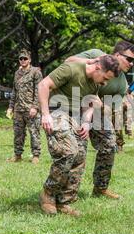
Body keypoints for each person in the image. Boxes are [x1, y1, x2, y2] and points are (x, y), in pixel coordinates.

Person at [38, 55, 120, 217]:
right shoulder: (72, 69)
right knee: (68, 151)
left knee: (80, 156)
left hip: (76, 116)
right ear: (98, 67)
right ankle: (48, 194)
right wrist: (45, 115)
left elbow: (91, 102)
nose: (105, 83)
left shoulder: (95, 83)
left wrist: (86, 121)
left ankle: (64, 201)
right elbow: (43, 85)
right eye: (105, 78)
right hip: (57, 111)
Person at [64, 41, 134, 199]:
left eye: (133, 61)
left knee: (110, 145)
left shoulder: (122, 82)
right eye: (129, 59)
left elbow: (110, 109)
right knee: (78, 152)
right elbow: (68, 61)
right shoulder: (96, 54)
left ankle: (100, 188)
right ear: (117, 55)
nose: (131, 64)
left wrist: (99, 105)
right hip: (75, 108)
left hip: (97, 114)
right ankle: (67, 193)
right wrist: (90, 62)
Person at [6, 50, 43, 164]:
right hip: (18, 109)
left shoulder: (36, 72)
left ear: (29, 60)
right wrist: (11, 107)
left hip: (30, 109)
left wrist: (35, 107)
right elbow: (14, 91)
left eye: (25, 58)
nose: (23, 60)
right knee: (18, 134)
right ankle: (18, 155)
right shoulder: (17, 73)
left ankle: (36, 155)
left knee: (34, 133)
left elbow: (39, 91)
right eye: (21, 59)